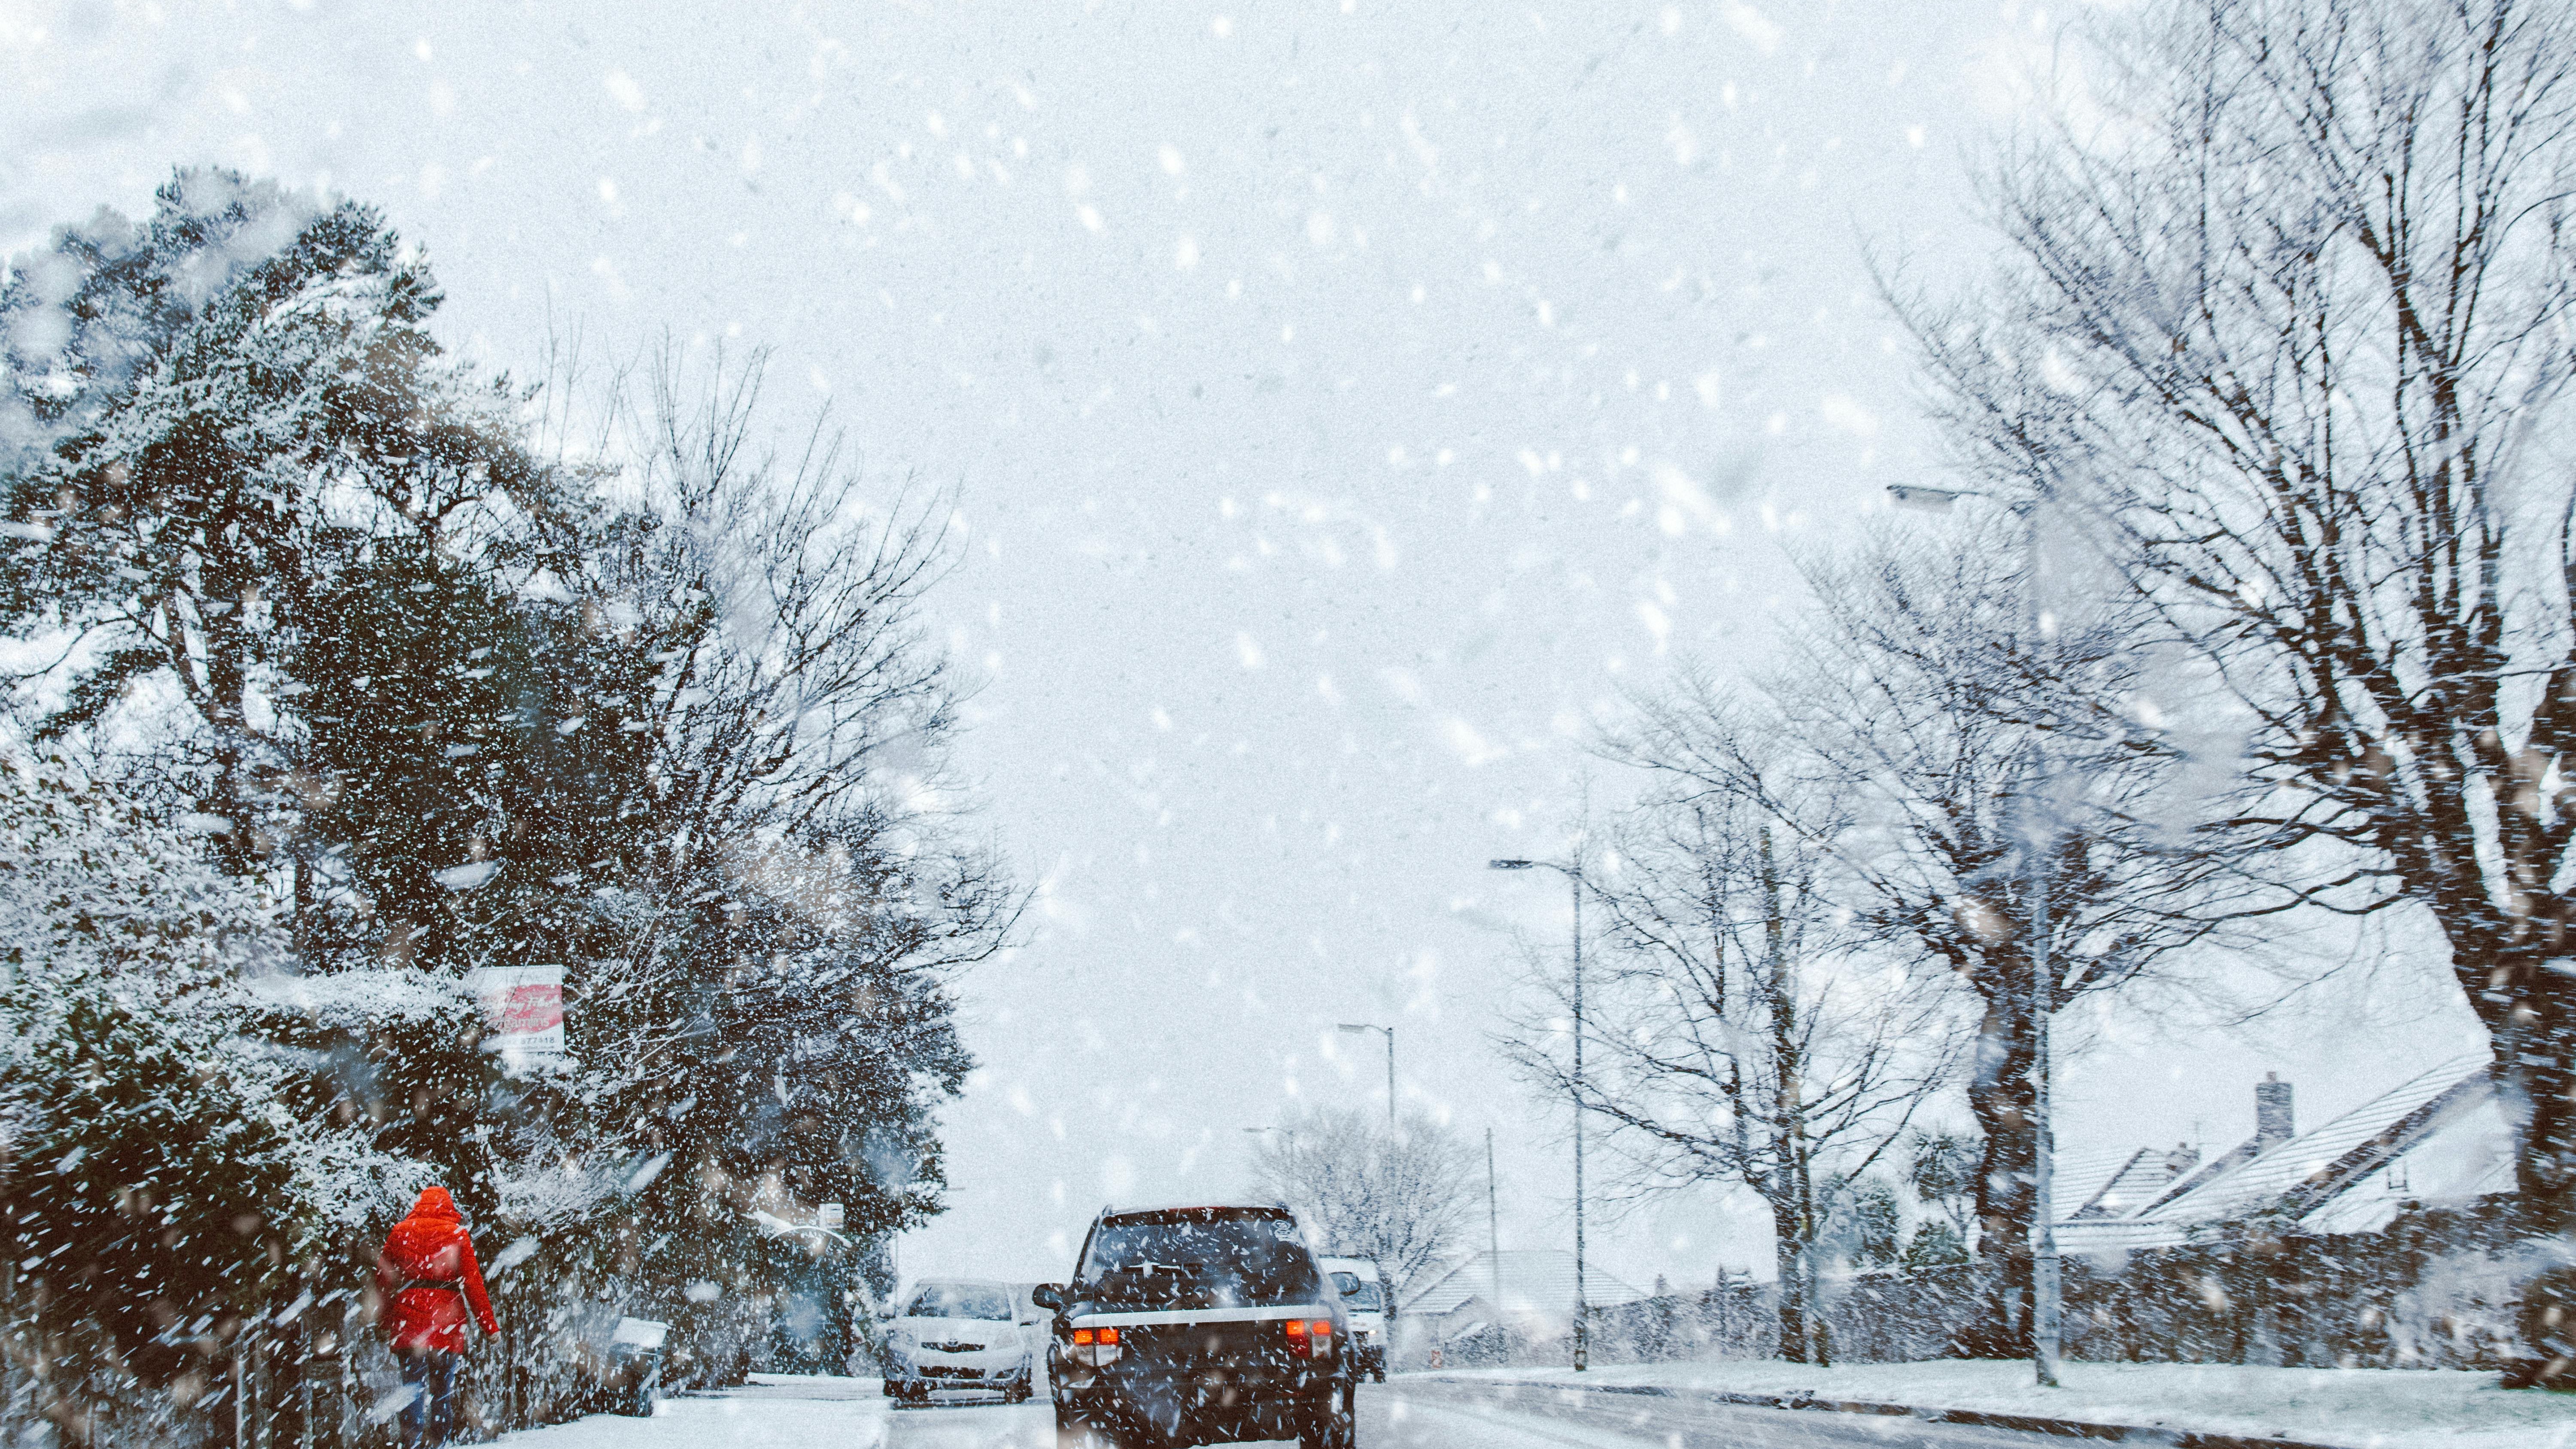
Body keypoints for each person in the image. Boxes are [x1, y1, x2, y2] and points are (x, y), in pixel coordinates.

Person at [375, 1187, 500, 1449]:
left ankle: (411, 1444)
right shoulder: (457, 1234)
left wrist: (384, 1321)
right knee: (442, 1393)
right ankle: (440, 1444)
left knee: (412, 1391)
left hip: (408, 1322)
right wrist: (489, 1327)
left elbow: (384, 1280)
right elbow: (473, 1284)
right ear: (448, 1207)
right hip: (447, 1323)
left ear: (419, 1205)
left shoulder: (401, 1232)